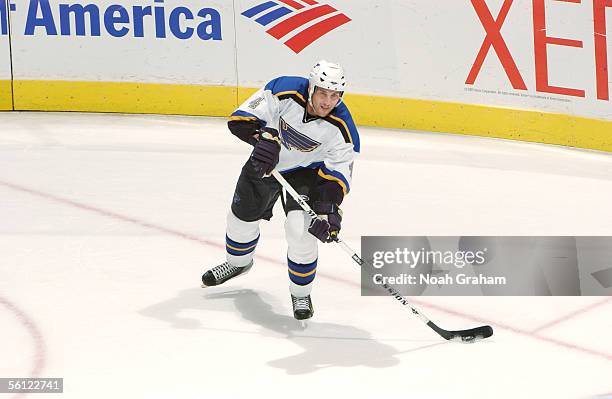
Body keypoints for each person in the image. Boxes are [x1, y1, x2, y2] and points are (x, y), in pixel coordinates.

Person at [201, 60, 360, 320]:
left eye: (335, 96)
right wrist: (263, 139)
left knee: (300, 231)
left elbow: (337, 176)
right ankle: (238, 264)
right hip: (266, 162)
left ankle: (300, 292)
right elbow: (240, 121)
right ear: (311, 88)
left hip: (306, 174)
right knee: (240, 219)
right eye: (323, 93)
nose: (327, 101)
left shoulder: (342, 127)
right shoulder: (283, 89)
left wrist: (328, 212)